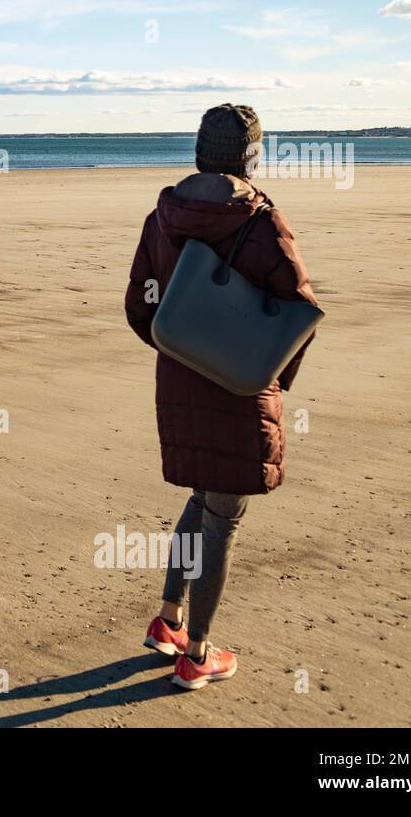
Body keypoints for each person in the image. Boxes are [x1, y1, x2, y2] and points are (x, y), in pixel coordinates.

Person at [124, 104, 317, 688]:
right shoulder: (262, 221)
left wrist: (179, 349)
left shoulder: (163, 216)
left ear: (200, 153)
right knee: (223, 517)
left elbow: (141, 304)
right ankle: (199, 655)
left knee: (201, 500)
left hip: (180, 381)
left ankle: (169, 620)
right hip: (238, 387)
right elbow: (299, 313)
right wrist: (270, 376)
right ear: (252, 156)